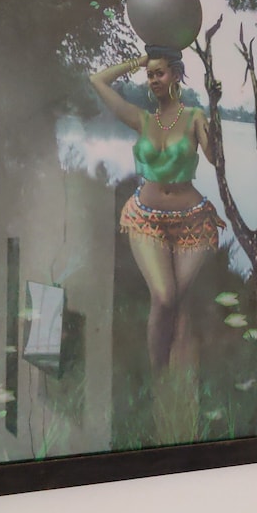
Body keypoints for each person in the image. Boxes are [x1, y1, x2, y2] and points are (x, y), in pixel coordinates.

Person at [90, 47, 224, 417]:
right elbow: (97, 80)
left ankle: (178, 393)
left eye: (159, 73)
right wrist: (138, 61)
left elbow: (215, 158)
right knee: (164, 297)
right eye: (149, 75)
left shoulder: (195, 117)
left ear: (176, 75)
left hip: (192, 220)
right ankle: (157, 379)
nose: (153, 80)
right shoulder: (142, 119)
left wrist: (214, 109)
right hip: (145, 218)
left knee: (178, 304)